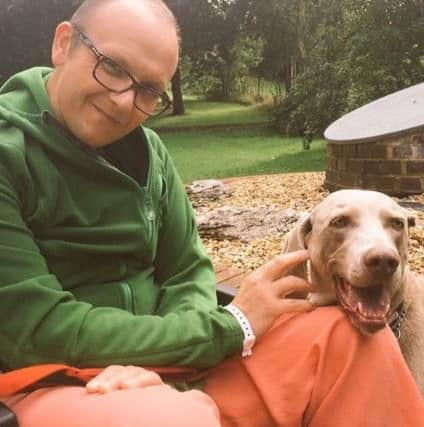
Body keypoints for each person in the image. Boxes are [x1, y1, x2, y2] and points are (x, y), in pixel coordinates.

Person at [0, 0, 422, 426]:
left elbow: (187, 272)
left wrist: (164, 362)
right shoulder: (8, 155)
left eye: (149, 90)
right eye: (112, 67)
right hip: (54, 378)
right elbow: (35, 330)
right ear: (63, 43)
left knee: (353, 341)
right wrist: (227, 327)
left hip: (175, 363)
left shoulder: (149, 154)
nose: (124, 101)